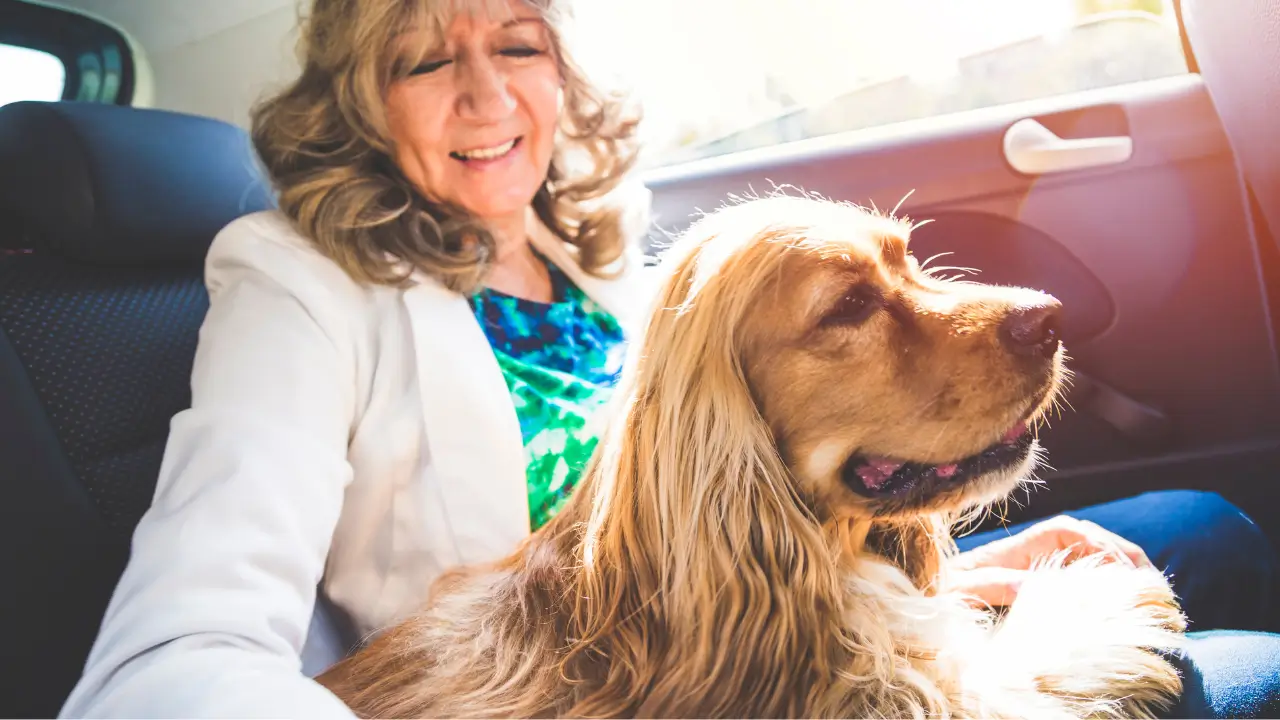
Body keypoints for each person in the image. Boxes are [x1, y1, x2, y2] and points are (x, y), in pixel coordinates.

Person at [57, 0, 1279, 717]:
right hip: (623, 677)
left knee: (1206, 524)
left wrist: (949, 576)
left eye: (518, 42)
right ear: (360, 103)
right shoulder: (298, 286)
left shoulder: (592, 257)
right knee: (1229, 660)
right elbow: (175, 658)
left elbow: (742, 502)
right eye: (426, 58)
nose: (487, 96)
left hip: (775, 621)